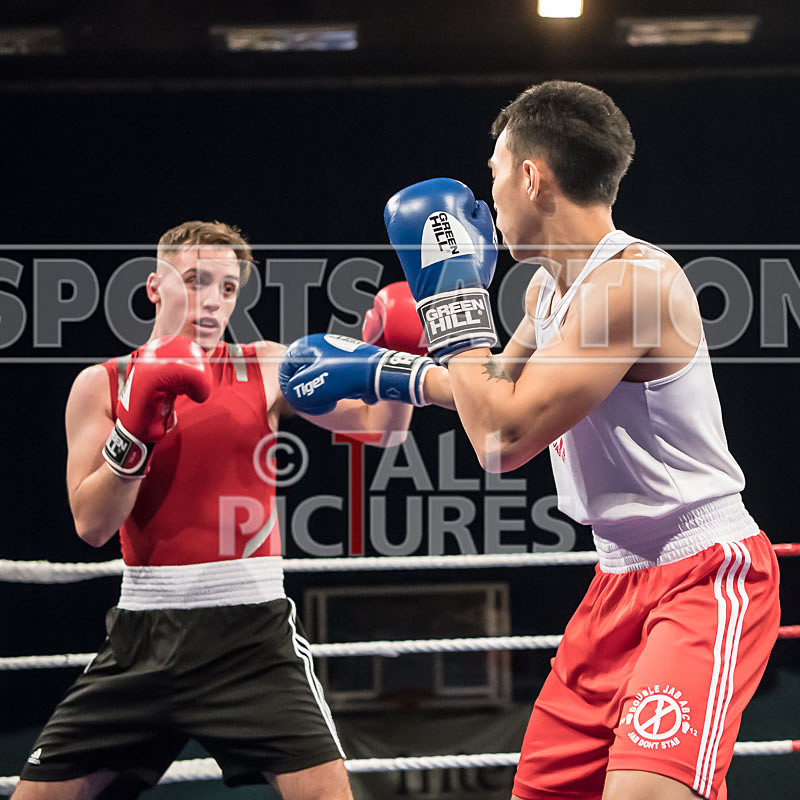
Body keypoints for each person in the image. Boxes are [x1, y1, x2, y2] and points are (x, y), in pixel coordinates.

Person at [284, 81, 781, 800]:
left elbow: (501, 439)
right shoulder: (547, 293)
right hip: (616, 581)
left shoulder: (632, 285)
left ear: (530, 175)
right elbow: (494, 388)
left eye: (492, 174)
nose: (486, 203)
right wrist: (389, 373)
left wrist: (450, 301)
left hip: (701, 577)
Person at [14, 220, 432, 800]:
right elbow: (92, 524)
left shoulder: (267, 366)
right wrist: (135, 432)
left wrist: (403, 350)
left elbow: (380, 430)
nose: (213, 301)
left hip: (252, 637)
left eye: (228, 288)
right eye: (196, 280)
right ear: (154, 286)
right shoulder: (101, 384)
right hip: (143, 636)